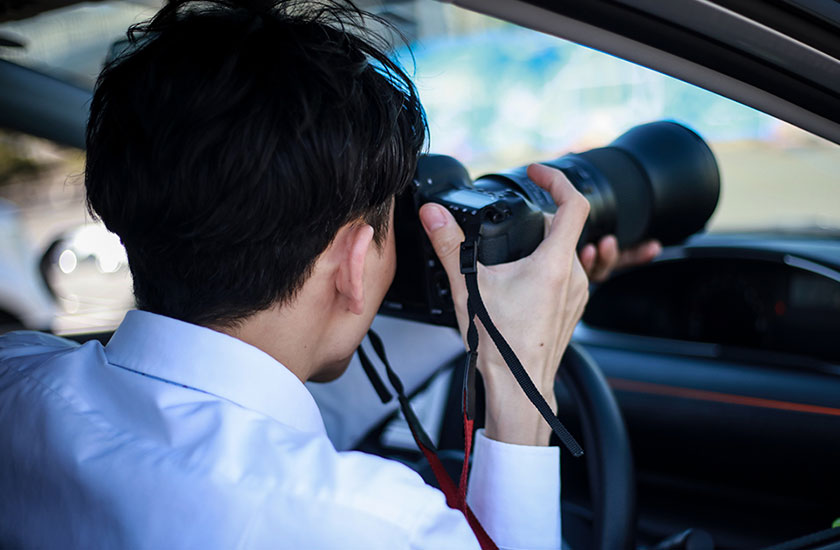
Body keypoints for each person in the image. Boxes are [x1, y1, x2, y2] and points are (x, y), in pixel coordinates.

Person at [0, 1, 659, 548]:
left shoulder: (17, 381)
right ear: (352, 259)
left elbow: (261, 395)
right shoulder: (370, 526)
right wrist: (522, 387)